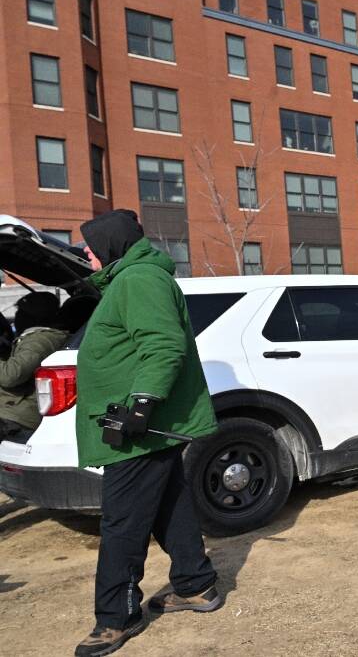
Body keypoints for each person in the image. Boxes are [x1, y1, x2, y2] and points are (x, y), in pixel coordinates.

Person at [74, 210, 222, 657]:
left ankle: (117, 616)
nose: (84, 252)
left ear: (110, 244)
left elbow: (163, 342)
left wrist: (141, 403)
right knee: (168, 506)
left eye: (89, 245)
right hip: (145, 424)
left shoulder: (139, 278)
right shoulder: (130, 278)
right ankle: (197, 585)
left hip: (139, 423)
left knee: (122, 522)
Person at [0, 292, 66, 439]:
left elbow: (11, 375)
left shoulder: (39, 340)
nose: (16, 317)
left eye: (20, 313)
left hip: (16, 416)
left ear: (33, 317)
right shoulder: (36, 338)